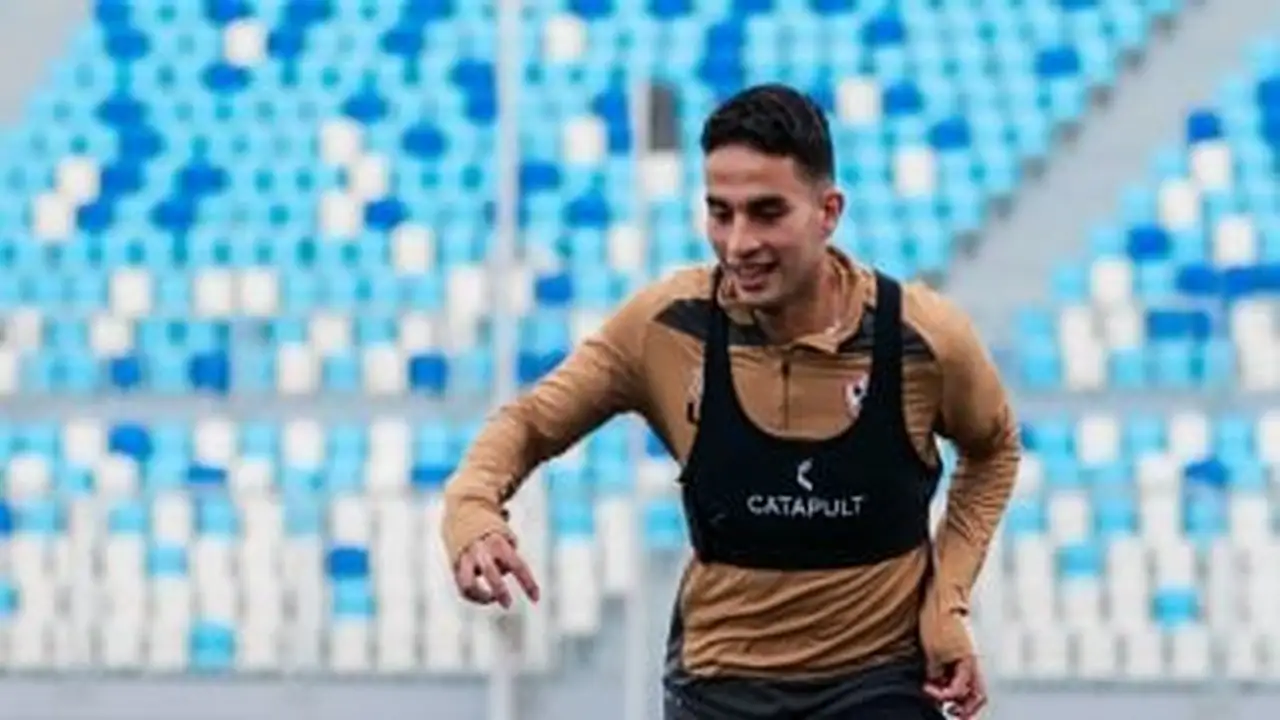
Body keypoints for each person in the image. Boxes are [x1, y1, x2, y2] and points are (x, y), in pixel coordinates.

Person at [440, 83, 1020, 719]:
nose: (739, 243)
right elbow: (528, 422)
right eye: (721, 213)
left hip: (877, 679)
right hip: (720, 686)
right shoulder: (666, 326)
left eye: (767, 213)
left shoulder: (923, 338)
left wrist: (947, 602)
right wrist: (472, 511)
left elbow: (993, 450)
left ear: (828, 212)